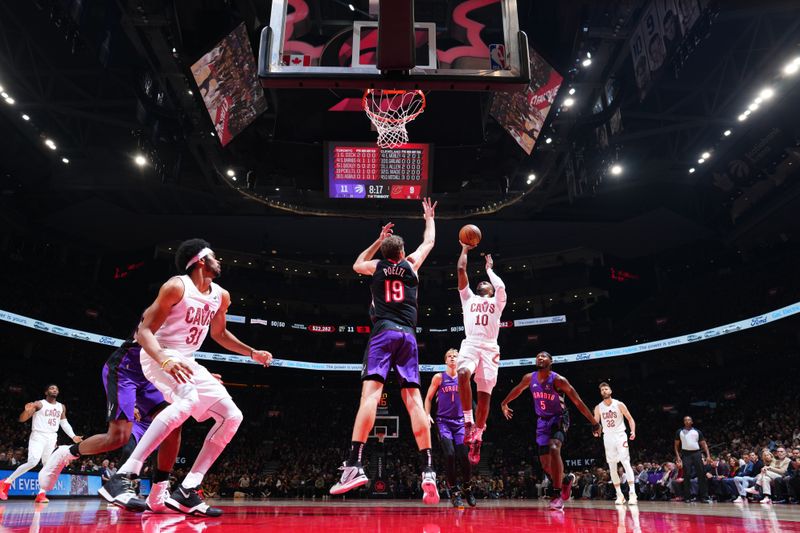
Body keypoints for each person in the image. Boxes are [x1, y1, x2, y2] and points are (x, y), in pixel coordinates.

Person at [99, 238, 272, 516]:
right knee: (188, 400)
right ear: (201, 260)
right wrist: (164, 360)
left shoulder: (221, 295)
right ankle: (124, 475)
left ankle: (187, 490)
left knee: (232, 416)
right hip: (159, 354)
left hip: (187, 359)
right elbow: (143, 332)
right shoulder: (176, 286)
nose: (220, 261)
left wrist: (251, 353)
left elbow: (219, 334)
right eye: (214, 256)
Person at [330, 198, 440, 505]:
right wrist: (428, 217)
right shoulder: (412, 264)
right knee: (414, 401)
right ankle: (428, 471)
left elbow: (355, 264)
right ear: (403, 253)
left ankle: (354, 465)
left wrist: (377, 242)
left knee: (370, 397)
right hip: (409, 337)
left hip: (383, 333)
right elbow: (429, 240)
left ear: (385, 253)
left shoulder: (377, 265)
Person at [38, 336, 184, 513]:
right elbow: (144, 332)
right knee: (119, 438)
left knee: (173, 424)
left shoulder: (200, 319)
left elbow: (184, 352)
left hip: (152, 376)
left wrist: (200, 376)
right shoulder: (164, 310)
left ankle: (159, 492)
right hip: (127, 370)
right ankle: (68, 452)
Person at [500, 351, 600, 510]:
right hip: (542, 421)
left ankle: (557, 494)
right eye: (537, 356)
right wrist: (504, 403)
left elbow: (578, 401)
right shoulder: (529, 378)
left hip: (558, 418)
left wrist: (594, 423)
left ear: (551, 361)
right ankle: (566, 479)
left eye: (544, 356)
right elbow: (518, 390)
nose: (540, 358)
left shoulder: (558, 380)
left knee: (554, 447)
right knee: (546, 466)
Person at [455, 244, 507, 465]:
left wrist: (489, 270)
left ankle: (478, 435)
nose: (482, 283)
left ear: (491, 289)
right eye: (481, 281)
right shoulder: (468, 298)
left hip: (490, 348)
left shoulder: (497, 301)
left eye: (486, 283)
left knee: (485, 396)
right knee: (462, 373)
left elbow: (502, 287)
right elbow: (460, 270)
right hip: (471, 344)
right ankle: (468, 423)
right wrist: (465, 249)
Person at [0, 385, 82, 503]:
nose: (54, 390)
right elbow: (22, 419)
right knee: (33, 461)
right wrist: (26, 411)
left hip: (52, 437)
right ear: (46, 392)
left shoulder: (61, 406)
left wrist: (73, 436)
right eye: (52, 388)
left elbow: (64, 423)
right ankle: (6, 483)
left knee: (48, 466)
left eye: (56, 389)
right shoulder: (39, 404)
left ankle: (41, 494)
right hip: (38, 435)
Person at [424, 348, 475, 508]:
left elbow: (470, 400)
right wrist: (427, 414)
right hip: (443, 421)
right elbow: (428, 398)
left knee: (464, 456)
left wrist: (474, 419)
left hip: (460, 422)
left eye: (455, 356)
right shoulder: (439, 377)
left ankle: (467, 487)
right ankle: (454, 491)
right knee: (450, 454)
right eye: (449, 356)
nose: (452, 358)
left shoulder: (464, 377)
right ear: (445, 360)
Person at [594, 382, 637, 505]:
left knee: (625, 462)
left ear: (610, 391)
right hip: (608, 436)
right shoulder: (598, 408)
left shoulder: (619, 404)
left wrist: (632, 431)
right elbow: (596, 425)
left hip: (620, 435)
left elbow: (630, 418)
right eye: (602, 390)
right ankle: (619, 495)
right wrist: (596, 432)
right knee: (612, 466)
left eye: (606, 389)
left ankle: (632, 494)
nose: (604, 391)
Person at [674, 416, 711, 503]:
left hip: (697, 453)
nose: (687, 421)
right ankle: (687, 497)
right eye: (685, 420)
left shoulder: (697, 431)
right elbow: (676, 446)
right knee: (686, 475)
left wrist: (708, 455)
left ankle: (704, 497)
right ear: (684, 422)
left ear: (692, 422)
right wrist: (678, 457)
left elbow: (704, 444)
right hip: (685, 454)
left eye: (689, 420)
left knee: (701, 474)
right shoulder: (679, 431)